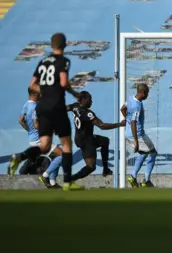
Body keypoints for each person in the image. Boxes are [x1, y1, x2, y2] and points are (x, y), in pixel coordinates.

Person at [10, 33, 83, 191]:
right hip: (55, 105)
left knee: (44, 145)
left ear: (51, 45)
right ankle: (68, 182)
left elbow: (32, 85)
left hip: (42, 107)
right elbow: (63, 83)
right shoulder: (63, 61)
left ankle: (20, 156)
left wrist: (44, 90)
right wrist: (74, 93)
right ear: (64, 45)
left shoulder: (42, 62)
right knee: (66, 144)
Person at [44, 91, 125, 183]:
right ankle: (70, 179)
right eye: (90, 99)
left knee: (105, 141)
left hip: (80, 138)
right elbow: (101, 126)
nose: (91, 101)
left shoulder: (75, 106)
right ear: (83, 100)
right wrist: (120, 124)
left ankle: (105, 169)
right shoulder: (87, 113)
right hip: (86, 140)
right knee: (91, 167)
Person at [7, 88, 63, 188]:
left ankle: (53, 183)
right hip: (40, 141)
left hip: (32, 140)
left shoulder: (26, 105)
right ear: (35, 93)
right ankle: (46, 176)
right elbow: (36, 125)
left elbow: (21, 120)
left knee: (56, 157)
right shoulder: (36, 107)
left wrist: (30, 132)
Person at [121, 83, 156, 188]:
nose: (147, 96)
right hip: (138, 134)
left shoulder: (131, 99)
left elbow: (122, 108)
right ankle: (146, 180)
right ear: (142, 93)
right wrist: (136, 141)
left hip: (128, 134)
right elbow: (133, 122)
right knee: (153, 153)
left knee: (144, 153)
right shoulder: (137, 106)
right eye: (147, 94)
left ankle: (134, 177)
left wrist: (126, 118)